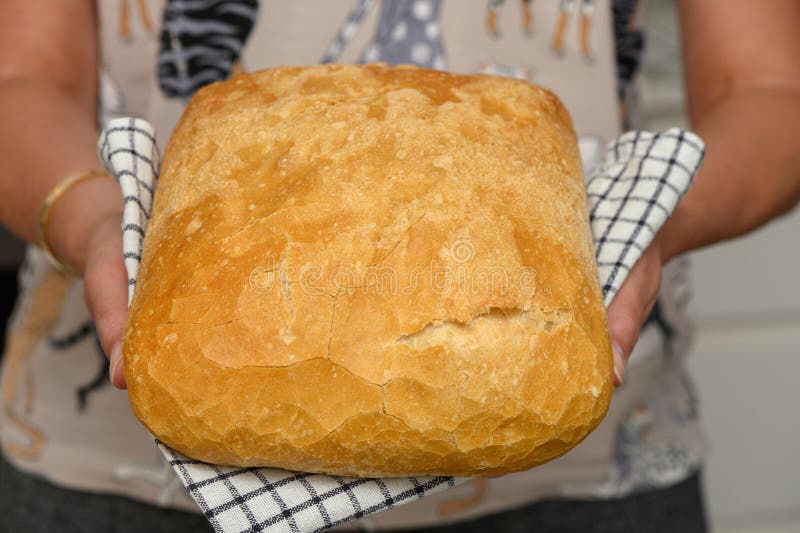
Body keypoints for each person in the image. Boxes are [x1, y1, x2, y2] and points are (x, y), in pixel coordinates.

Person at [0, 1, 799, 532]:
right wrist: (92, 213)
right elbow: (22, 77)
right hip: (116, 478)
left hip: (591, 478)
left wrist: (644, 225)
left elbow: (769, 89)